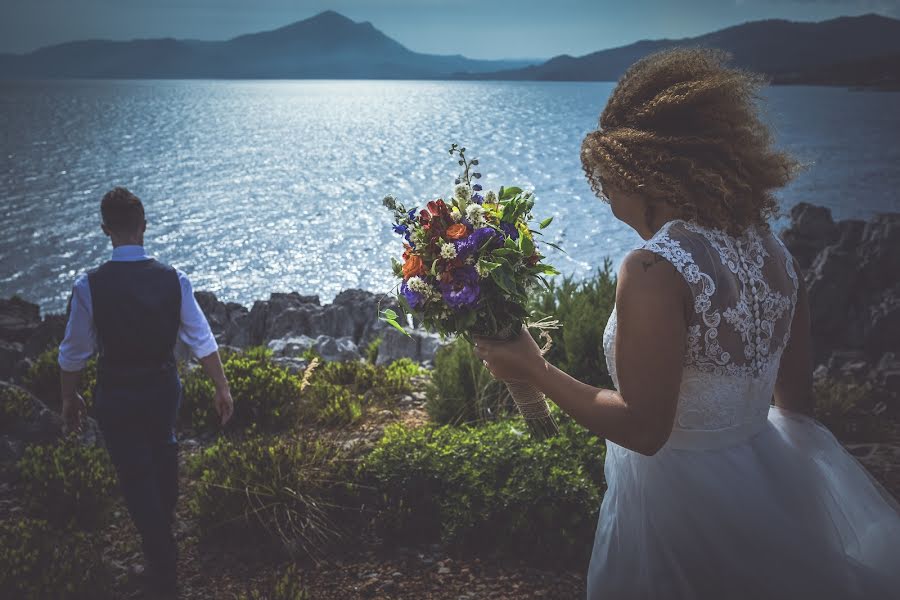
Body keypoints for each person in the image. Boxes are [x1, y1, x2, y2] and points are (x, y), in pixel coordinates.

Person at [474, 49, 900, 599]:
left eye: (607, 183)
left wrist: (532, 368)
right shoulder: (774, 253)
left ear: (646, 172)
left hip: (679, 509)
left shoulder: (652, 268)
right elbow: (796, 408)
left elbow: (644, 431)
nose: (607, 202)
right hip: (767, 486)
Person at [58, 187, 234, 596]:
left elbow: (73, 353)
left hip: (116, 390)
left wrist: (69, 398)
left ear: (106, 230)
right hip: (161, 386)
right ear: (145, 226)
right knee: (162, 449)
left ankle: (161, 560)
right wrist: (221, 387)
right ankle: (162, 538)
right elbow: (201, 338)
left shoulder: (89, 286)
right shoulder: (174, 279)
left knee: (134, 474)